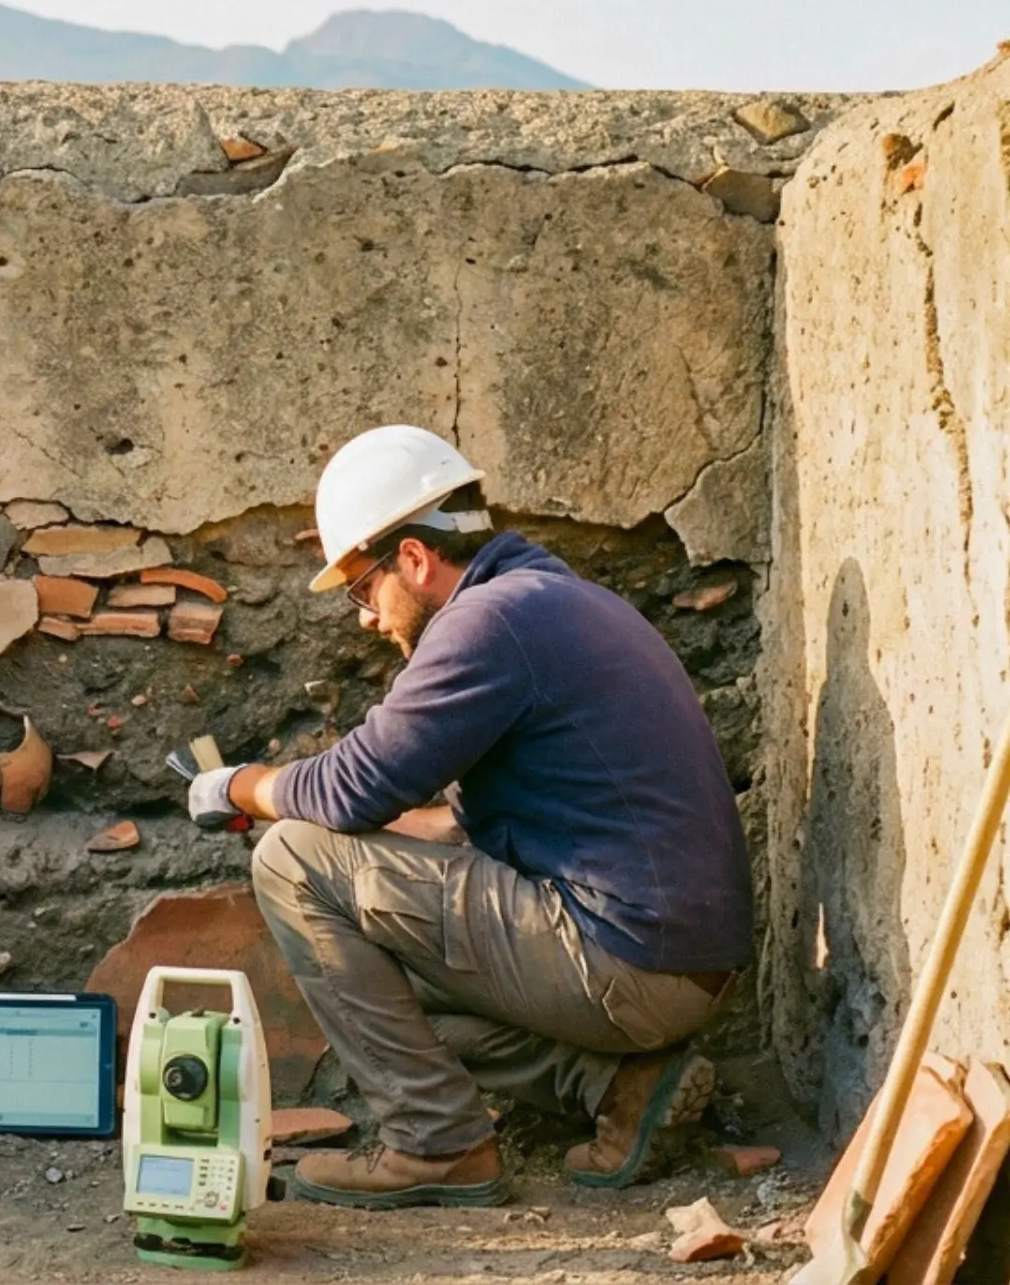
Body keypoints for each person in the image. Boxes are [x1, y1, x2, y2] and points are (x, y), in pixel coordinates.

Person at [186, 425, 752, 1209]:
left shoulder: (488, 623)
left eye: (361, 590)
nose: (365, 619)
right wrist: (354, 851)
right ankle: (617, 1083)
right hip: (669, 963)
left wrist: (238, 786)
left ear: (413, 559)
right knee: (378, 997)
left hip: (629, 963)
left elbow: (352, 786)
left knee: (289, 860)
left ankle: (436, 1146)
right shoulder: (549, 601)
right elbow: (452, 833)